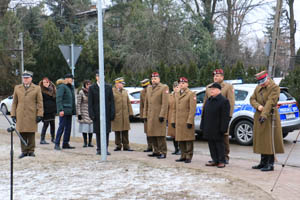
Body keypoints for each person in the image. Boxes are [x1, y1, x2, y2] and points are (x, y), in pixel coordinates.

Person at [250, 71, 284, 171]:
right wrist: (258, 106)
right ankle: (262, 162)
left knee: (269, 140)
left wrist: (264, 114)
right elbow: (252, 99)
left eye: (263, 82)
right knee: (261, 140)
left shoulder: (274, 87)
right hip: (259, 115)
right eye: (260, 82)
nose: (262, 84)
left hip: (270, 117)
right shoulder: (258, 87)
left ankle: (270, 164)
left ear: (268, 78)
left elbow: (270, 102)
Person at [203, 69, 235, 164]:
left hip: (222, 117)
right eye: (214, 76)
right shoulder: (209, 87)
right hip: (211, 118)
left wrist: (229, 116)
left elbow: (231, 102)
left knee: (224, 137)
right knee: (212, 138)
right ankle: (216, 158)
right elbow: (206, 101)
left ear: (222, 77)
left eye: (218, 76)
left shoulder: (228, 87)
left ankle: (225, 156)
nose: (216, 77)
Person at [11, 70, 43, 158]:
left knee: (31, 133)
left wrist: (40, 114)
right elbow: (14, 102)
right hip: (20, 114)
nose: (25, 79)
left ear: (31, 79)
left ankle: (31, 150)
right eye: (24, 78)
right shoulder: (17, 88)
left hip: (31, 114)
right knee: (22, 133)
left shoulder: (36, 88)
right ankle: (24, 151)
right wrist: (13, 114)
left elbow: (40, 103)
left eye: (27, 78)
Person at [201, 82, 231, 168]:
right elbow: (204, 114)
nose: (211, 91)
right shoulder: (209, 100)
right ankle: (215, 159)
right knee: (211, 144)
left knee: (219, 145)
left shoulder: (224, 101)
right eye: (211, 89)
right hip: (209, 127)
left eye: (213, 89)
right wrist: (203, 125)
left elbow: (225, 116)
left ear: (218, 90)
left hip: (218, 128)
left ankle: (222, 161)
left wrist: (223, 128)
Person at [88, 70, 115, 155]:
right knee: (98, 132)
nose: (100, 78)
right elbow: (90, 103)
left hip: (106, 113)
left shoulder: (108, 87)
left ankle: (105, 149)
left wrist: (112, 113)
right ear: (96, 77)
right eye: (99, 76)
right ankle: (99, 149)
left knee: (106, 131)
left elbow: (112, 101)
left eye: (102, 76)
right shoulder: (92, 88)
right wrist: (91, 114)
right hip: (96, 114)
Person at [143, 72, 169, 159]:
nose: (153, 80)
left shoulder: (164, 87)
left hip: (159, 115)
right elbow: (146, 103)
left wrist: (162, 115)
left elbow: (165, 103)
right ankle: (156, 151)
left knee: (160, 135)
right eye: (152, 78)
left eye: (155, 78)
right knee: (152, 134)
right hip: (150, 115)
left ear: (159, 79)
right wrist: (145, 114)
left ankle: (163, 152)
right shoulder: (149, 88)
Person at [171, 77, 197, 163]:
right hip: (179, 121)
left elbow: (192, 109)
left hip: (186, 120)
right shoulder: (177, 94)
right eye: (180, 83)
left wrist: (190, 121)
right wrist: (173, 120)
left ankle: (189, 156)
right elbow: (174, 109)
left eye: (183, 83)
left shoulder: (191, 94)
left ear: (187, 84)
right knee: (180, 139)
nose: (181, 85)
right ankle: (183, 155)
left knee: (188, 139)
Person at [111, 77, 134, 151]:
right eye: (121, 83)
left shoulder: (125, 91)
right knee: (117, 131)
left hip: (125, 115)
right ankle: (118, 145)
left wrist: (130, 113)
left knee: (125, 131)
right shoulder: (112, 91)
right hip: (117, 114)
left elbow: (128, 103)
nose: (122, 85)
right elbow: (110, 103)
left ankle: (126, 145)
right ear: (117, 84)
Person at [54, 74, 76, 150]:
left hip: (69, 110)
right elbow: (59, 98)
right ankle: (56, 143)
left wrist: (73, 110)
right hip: (63, 110)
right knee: (61, 127)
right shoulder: (62, 86)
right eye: (71, 78)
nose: (72, 80)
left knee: (68, 128)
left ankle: (65, 143)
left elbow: (72, 100)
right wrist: (60, 110)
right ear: (66, 79)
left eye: (72, 79)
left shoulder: (70, 87)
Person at [39, 77, 56, 144]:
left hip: (52, 110)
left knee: (53, 124)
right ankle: (42, 139)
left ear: (49, 82)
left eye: (46, 82)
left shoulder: (53, 89)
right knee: (46, 124)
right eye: (44, 82)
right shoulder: (41, 90)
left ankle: (53, 138)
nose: (45, 84)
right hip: (46, 110)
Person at [77, 80, 94, 148]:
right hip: (83, 112)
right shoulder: (81, 92)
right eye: (87, 84)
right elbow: (78, 104)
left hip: (91, 112)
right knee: (85, 128)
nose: (89, 86)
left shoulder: (92, 92)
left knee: (91, 129)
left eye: (90, 84)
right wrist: (79, 114)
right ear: (85, 85)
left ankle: (90, 142)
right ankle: (85, 142)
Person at [140, 78, 153, 152]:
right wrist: (142, 116)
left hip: (153, 114)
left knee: (153, 131)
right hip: (146, 114)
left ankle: (155, 147)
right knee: (147, 132)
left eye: (146, 87)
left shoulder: (152, 90)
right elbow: (142, 105)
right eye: (144, 87)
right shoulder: (142, 92)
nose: (145, 89)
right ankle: (149, 146)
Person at [167, 81, 181, 155]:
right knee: (173, 135)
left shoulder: (181, 95)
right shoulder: (170, 96)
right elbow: (167, 107)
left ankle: (181, 149)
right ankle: (176, 149)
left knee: (179, 134)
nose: (176, 89)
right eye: (175, 87)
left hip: (179, 116)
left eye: (177, 87)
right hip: (171, 116)